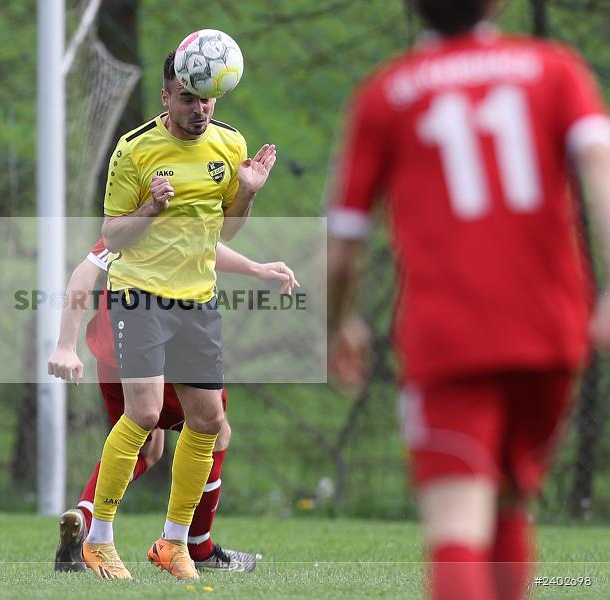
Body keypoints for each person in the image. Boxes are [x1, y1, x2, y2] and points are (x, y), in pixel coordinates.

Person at [326, 1, 610, 599]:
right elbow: (598, 160)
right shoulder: (553, 69)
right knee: (508, 499)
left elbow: (344, 243)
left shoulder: (387, 95)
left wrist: (337, 323)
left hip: (451, 339)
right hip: (552, 331)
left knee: (457, 523)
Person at [75, 49, 276, 580]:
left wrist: (247, 195)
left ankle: (173, 543)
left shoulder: (229, 144)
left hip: (198, 300)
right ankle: (98, 539)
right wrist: (149, 210)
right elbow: (112, 234)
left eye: (205, 99)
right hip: (139, 295)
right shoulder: (134, 149)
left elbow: (224, 232)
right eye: (186, 98)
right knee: (143, 416)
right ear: (166, 97)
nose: (198, 109)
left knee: (208, 420)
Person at [49, 237, 298, 574]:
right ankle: (198, 546)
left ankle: (85, 514)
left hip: (111, 351)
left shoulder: (141, 213)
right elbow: (89, 271)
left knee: (144, 447)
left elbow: (202, 241)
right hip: (155, 343)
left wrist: (67, 345)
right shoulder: (150, 211)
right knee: (214, 428)